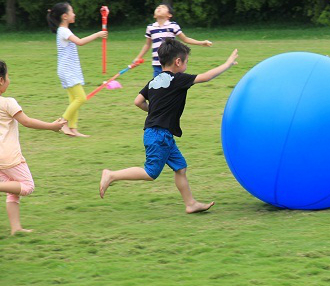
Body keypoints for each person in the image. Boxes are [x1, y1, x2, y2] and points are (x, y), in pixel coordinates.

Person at [100, 39, 238, 213]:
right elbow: (207, 77)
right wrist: (227, 64)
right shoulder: (178, 79)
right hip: (159, 135)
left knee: (180, 167)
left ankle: (190, 204)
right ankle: (112, 175)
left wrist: (154, 112)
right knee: (150, 173)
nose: (187, 65)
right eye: (186, 62)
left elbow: (138, 101)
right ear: (178, 62)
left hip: (159, 133)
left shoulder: (154, 81)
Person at [0, 59, 66, 235]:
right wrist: (52, 126)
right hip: (9, 156)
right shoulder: (8, 102)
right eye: (7, 76)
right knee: (27, 186)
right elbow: (27, 122)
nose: (8, 79)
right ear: (0, 81)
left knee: (13, 191)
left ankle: (16, 228)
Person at [47, 2, 108, 137]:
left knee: (73, 99)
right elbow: (80, 42)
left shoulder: (63, 30)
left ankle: (73, 128)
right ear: (65, 16)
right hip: (67, 70)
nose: (74, 14)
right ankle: (63, 123)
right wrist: (98, 34)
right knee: (81, 98)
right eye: (72, 12)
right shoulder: (64, 31)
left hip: (69, 69)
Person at [133, 4, 213, 78]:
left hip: (171, 63)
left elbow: (185, 39)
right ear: (154, 15)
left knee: (172, 86)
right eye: (158, 7)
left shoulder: (173, 26)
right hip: (157, 63)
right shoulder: (150, 28)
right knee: (157, 87)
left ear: (169, 15)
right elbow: (147, 45)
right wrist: (138, 57)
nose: (159, 8)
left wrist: (202, 42)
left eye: (163, 7)